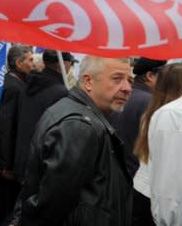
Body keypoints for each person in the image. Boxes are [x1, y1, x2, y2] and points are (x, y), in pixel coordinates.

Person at [18, 56, 133, 225]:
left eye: (130, 80)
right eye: (117, 79)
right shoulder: (80, 125)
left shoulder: (81, 115)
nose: (127, 88)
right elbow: (52, 203)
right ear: (88, 81)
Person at [131, 63, 182, 226]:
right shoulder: (170, 115)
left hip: (146, 190)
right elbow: (169, 173)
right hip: (157, 199)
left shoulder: (153, 112)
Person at [12, 50, 75, 181]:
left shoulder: (27, 85)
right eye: (71, 63)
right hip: (43, 166)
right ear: (63, 64)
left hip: (23, 161)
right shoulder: (61, 92)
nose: (71, 67)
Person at [0, 44, 33, 225]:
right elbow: (7, 126)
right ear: (18, 63)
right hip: (7, 167)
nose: (33, 65)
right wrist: (7, 164)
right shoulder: (14, 87)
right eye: (30, 60)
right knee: (5, 209)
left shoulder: (17, 84)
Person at [110, 57, 166, 178]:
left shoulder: (120, 95)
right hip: (136, 177)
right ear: (150, 75)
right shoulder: (151, 102)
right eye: (163, 76)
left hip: (116, 173)